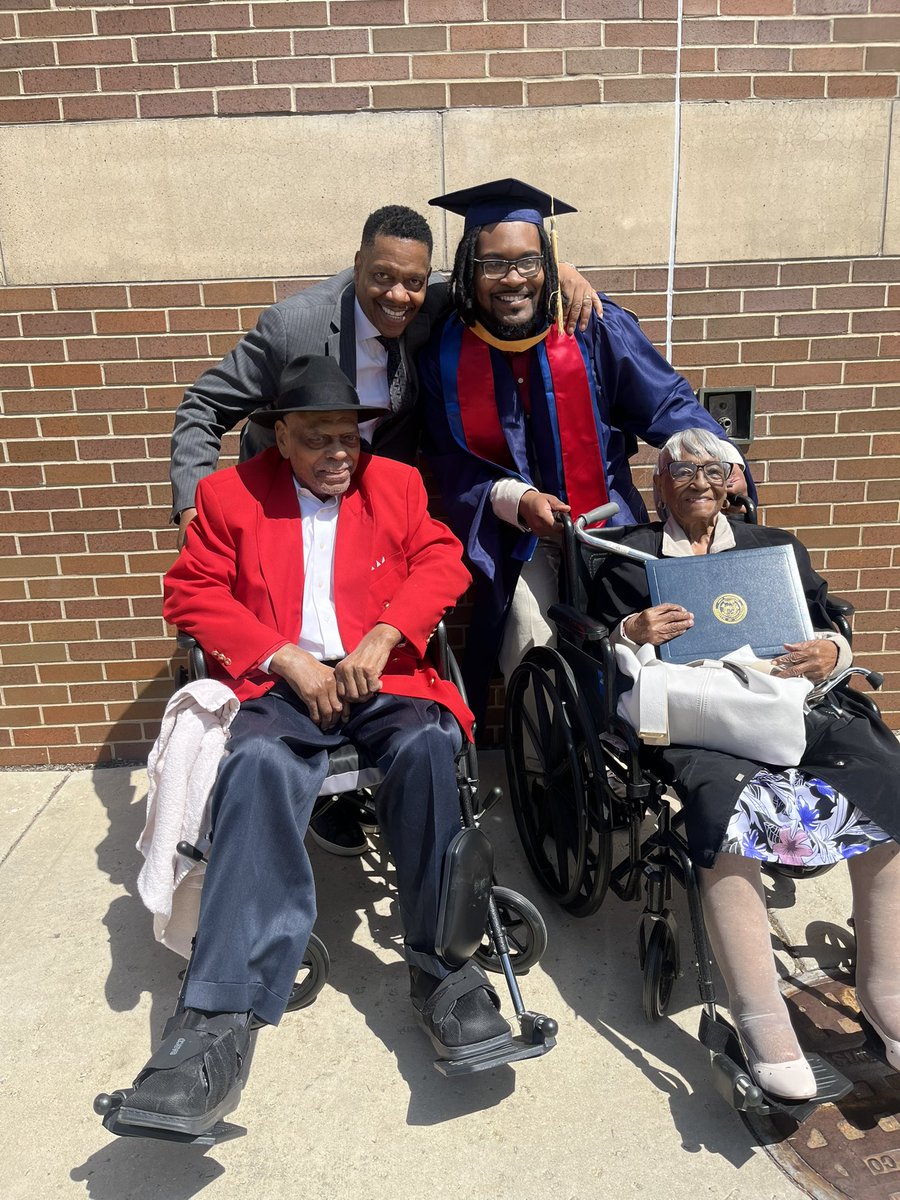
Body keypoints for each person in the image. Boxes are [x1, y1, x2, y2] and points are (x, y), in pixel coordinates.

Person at [119, 356, 514, 1138]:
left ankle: (443, 967)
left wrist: (388, 632)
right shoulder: (228, 496)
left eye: (348, 437)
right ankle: (217, 1018)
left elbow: (442, 560)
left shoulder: (395, 484)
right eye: (317, 439)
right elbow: (191, 590)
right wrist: (285, 657)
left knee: (429, 745)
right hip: (282, 686)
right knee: (258, 764)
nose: (339, 453)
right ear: (279, 437)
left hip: (383, 681)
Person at [170, 203, 601, 847]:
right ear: (356, 268)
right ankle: (314, 788)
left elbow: (487, 280)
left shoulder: (427, 302)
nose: (398, 295)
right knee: (296, 630)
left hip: (373, 501)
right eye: (381, 279)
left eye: (412, 282)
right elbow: (203, 406)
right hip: (283, 494)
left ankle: (387, 780)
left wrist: (557, 268)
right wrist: (192, 507)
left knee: (370, 639)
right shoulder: (293, 326)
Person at [588, 427, 900, 1100]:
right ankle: (762, 1016)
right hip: (701, 716)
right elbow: (590, 643)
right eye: (681, 471)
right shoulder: (628, 556)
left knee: (886, 778)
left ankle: (886, 989)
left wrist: (834, 655)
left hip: (792, 699)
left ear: (734, 482)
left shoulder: (776, 548)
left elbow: (829, 625)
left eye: (712, 471)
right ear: (658, 485)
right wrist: (630, 633)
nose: (698, 482)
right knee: (725, 807)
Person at [419, 178, 753, 718]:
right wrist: (516, 499)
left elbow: (665, 402)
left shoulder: (591, 325)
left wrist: (717, 460)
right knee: (534, 647)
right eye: (494, 265)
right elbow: (452, 464)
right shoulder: (444, 352)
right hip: (516, 539)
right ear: (468, 269)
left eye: (529, 262)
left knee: (638, 643)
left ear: (550, 263)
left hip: (609, 523)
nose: (513, 279)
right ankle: (551, 781)